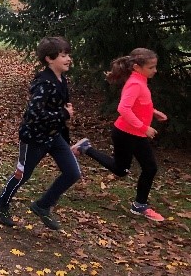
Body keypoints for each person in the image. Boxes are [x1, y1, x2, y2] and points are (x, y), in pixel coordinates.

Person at [0, 37, 81, 231]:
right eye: (63, 55)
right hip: (34, 138)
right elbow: (33, 114)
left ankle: (42, 205)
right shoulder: (44, 84)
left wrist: (67, 141)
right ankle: (1, 202)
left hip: (54, 136)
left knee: (72, 173)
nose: (68, 59)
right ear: (49, 59)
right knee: (22, 174)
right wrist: (63, 113)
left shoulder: (62, 79)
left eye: (68, 55)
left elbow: (60, 113)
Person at [71, 48, 168, 222]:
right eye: (152, 67)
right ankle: (87, 148)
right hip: (127, 134)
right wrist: (144, 127)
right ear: (137, 67)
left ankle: (139, 205)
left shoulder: (141, 80)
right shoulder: (135, 83)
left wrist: (153, 112)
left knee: (136, 168)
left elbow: (139, 104)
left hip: (133, 134)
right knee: (134, 169)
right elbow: (123, 108)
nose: (155, 70)